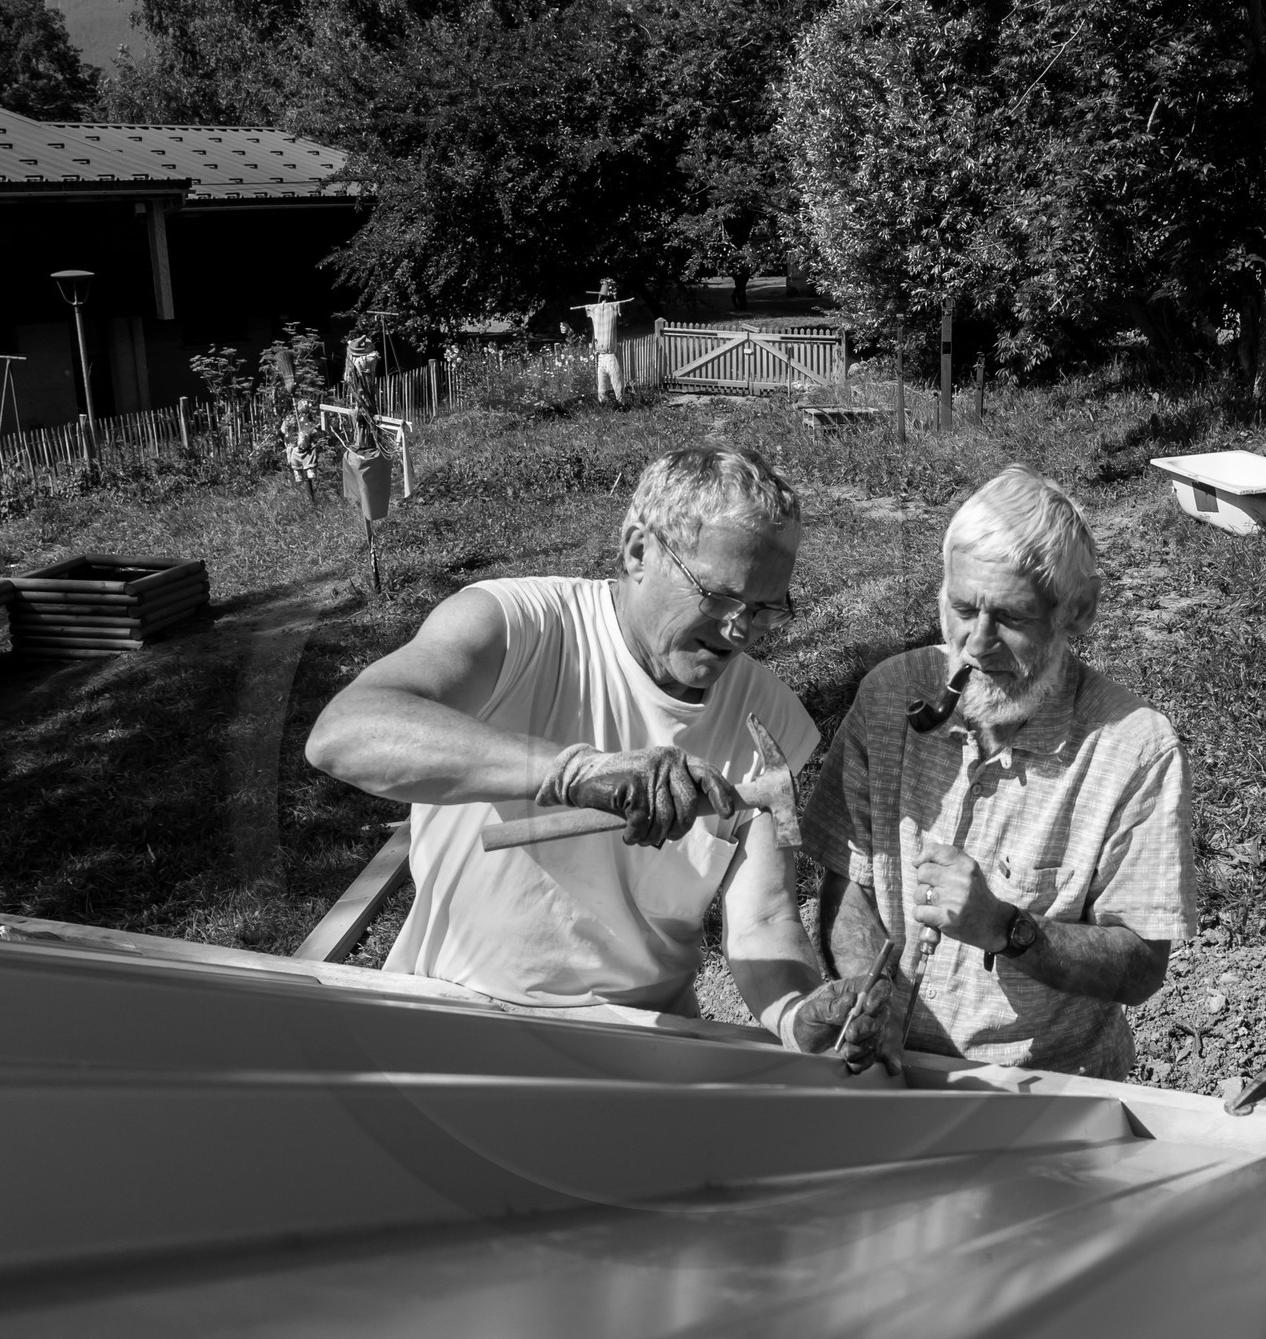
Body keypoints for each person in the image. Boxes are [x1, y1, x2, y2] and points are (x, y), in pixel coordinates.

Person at [305, 444, 890, 1059]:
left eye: (768, 607)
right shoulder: (515, 627)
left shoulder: (767, 717)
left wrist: (798, 1016)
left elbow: (764, 919)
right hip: (456, 1014)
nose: (741, 630)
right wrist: (576, 771)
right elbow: (344, 733)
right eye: (719, 596)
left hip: (644, 1040)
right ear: (639, 550)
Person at [801, 464, 1197, 1079]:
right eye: (962, 608)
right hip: (888, 1069)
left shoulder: (1134, 748)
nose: (975, 645)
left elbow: (1141, 965)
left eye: (1009, 618)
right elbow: (848, 881)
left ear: (1078, 612)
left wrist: (1007, 929)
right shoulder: (889, 698)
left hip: (1047, 1089)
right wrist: (868, 997)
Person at [572, 277, 631, 406]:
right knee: (605, 385)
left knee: (616, 383)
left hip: (609, 355)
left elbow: (620, 311)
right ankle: (608, 406)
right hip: (602, 355)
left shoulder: (608, 308)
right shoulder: (596, 309)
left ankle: (621, 405)